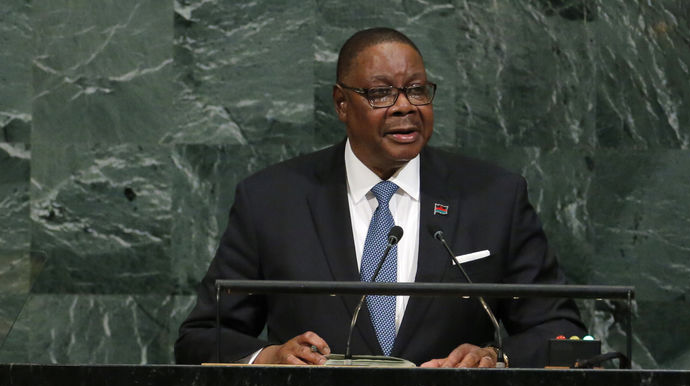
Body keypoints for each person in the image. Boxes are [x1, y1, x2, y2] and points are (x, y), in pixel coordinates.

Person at [174, 27, 585, 368]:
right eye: (381, 94)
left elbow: (559, 329)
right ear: (341, 103)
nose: (404, 107)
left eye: (417, 90)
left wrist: (496, 357)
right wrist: (269, 358)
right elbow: (202, 337)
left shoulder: (494, 197)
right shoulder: (272, 200)